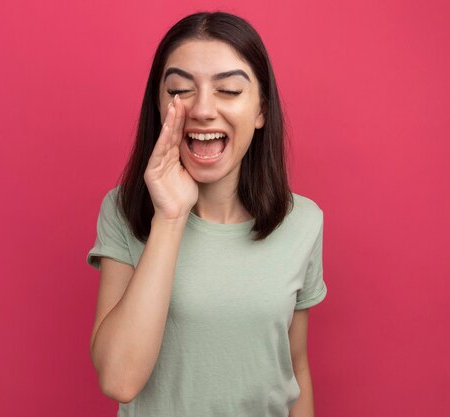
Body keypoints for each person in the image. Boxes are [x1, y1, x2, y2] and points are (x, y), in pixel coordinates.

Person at [86, 11, 327, 417]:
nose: (201, 109)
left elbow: (296, 368)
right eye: (180, 90)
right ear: (160, 106)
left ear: (261, 110)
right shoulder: (124, 211)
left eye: (229, 91)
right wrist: (170, 215)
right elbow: (118, 379)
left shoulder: (302, 222)